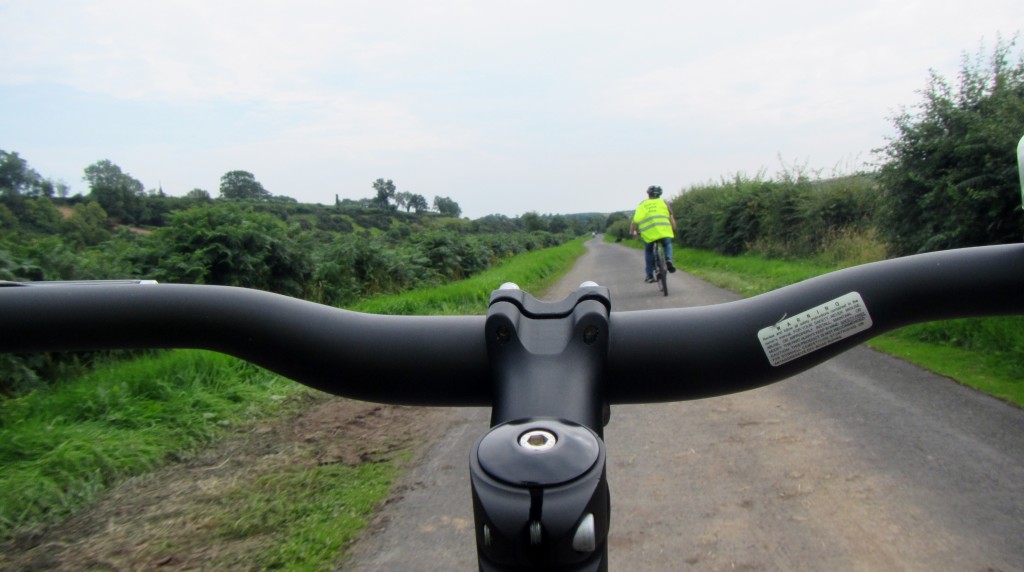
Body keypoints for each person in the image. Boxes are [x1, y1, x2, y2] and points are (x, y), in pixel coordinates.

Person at [630, 185, 677, 282]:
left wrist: (633, 232)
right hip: (664, 232)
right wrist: (673, 229)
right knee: (667, 244)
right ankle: (669, 260)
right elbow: (671, 218)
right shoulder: (664, 203)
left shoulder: (642, 205)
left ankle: (650, 275)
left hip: (649, 235)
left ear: (648, 194)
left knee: (648, 251)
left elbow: (634, 221)